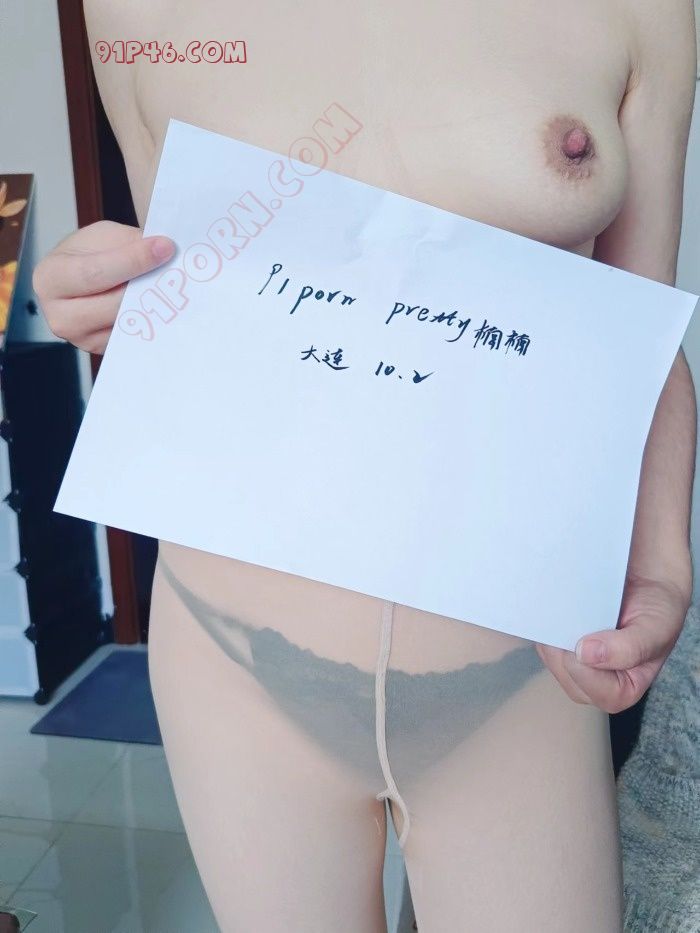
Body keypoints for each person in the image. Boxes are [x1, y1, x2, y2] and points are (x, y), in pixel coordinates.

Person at [33, 1, 697, 929]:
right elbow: (174, 286)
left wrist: (661, 564)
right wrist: (91, 293)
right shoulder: (132, 9)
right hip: (236, 656)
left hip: (525, 666)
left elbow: (639, 338)